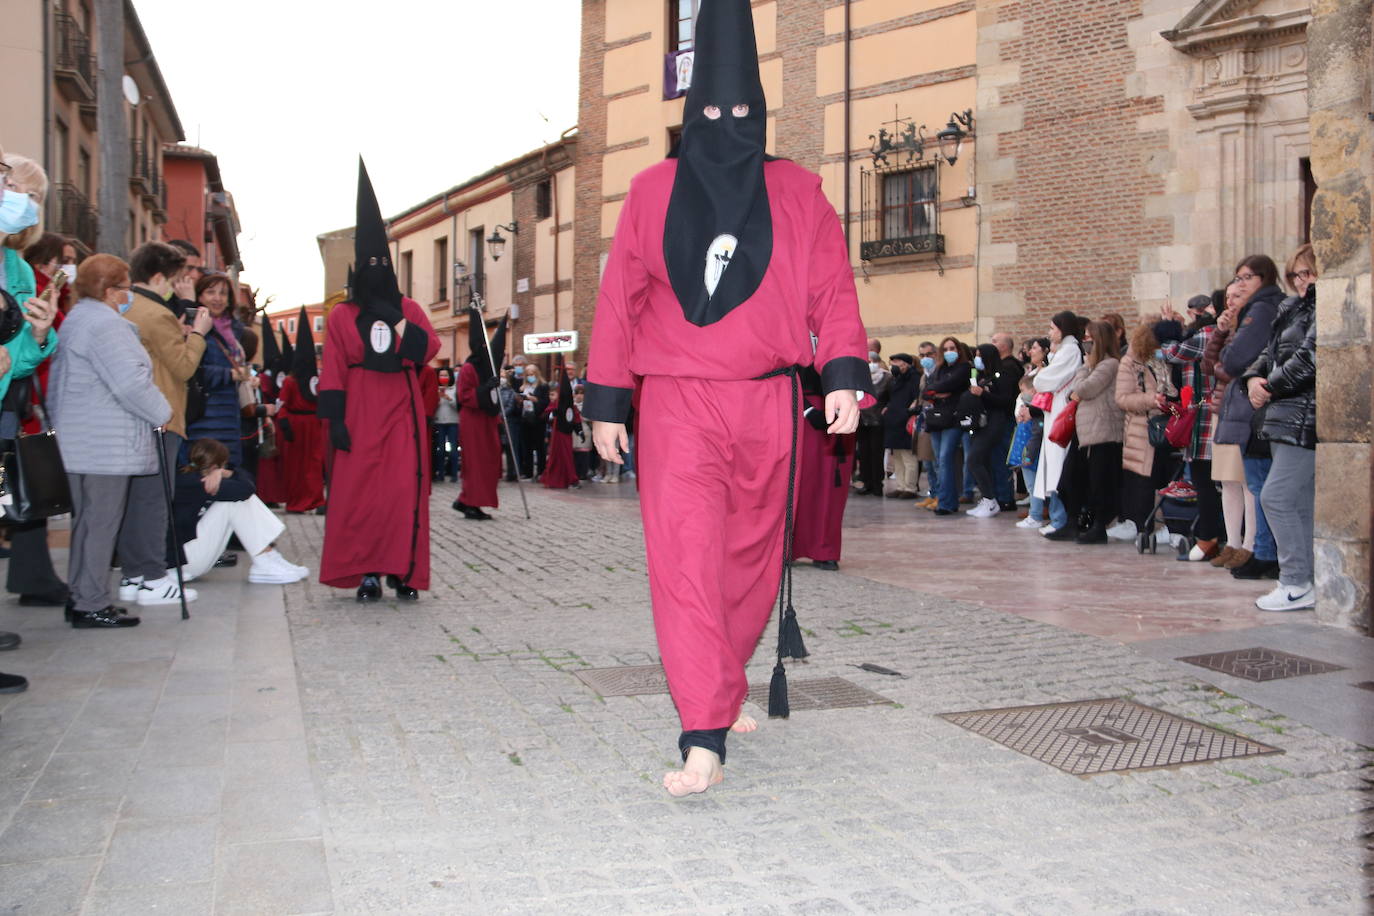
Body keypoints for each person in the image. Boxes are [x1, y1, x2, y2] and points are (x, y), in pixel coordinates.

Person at [583, 0, 869, 797]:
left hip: (770, 406)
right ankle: (702, 728)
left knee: (748, 561)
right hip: (677, 402)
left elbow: (831, 291)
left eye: (743, 110)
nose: (727, 122)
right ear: (688, 112)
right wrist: (607, 402)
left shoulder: (799, 192)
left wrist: (843, 371)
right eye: (712, 110)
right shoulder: (648, 191)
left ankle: (725, 677)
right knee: (684, 559)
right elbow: (619, 300)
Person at [318, 162, 441, 601]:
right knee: (360, 495)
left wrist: (395, 318)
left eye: (380, 263)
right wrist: (334, 422)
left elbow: (427, 350)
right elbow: (331, 367)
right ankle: (366, 571)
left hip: (401, 409)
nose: (374, 270)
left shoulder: (410, 310)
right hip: (358, 410)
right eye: (366, 263)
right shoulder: (341, 315)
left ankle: (403, 571)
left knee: (400, 491)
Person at [49, 254, 171, 627]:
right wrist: (163, 412)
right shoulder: (107, 326)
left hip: (81, 439)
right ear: (109, 290)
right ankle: (91, 603)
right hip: (105, 442)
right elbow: (129, 383)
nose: (127, 294)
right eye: (124, 288)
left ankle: (82, 595)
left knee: (86, 522)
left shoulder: (78, 319)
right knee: (102, 523)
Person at [115, 241, 209, 606]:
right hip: (163, 414)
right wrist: (199, 333)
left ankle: (133, 575)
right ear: (158, 277)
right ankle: (153, 576)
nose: (177, 286)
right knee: (155, 501)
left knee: (135, 501)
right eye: (175, 279)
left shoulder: (124, 306)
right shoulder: (157, 314)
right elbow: (183, 368)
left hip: (133, 417)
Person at [0, 149, 60, 686]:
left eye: (36, 198)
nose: (28, 204)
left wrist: (37, 334)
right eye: (21, 188)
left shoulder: (16, 268)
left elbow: (20, 356)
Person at [1244, 245, 1317, 611]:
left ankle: (1295, 580)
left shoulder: (1324, 307)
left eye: (1308, 273)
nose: (1302, 281)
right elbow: (1267, 353)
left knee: (1276, 496)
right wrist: (1253, 379)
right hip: (1281, 414)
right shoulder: (1291, 308)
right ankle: (1304, 580)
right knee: (1298, 502)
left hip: (1306, 415)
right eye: (1296, 275)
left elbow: (1309, 358)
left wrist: (1268, 385)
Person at [1213, 255, 1284, 579]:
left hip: (1252, 410)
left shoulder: (1263, 309)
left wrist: (1228, 355)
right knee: (1246, 483)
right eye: (1236, 278)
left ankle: (1263, 552)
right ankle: (1254, 550)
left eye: (1246, 277)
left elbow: (1234, 361)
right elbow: (1216, 362)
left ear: (1264, 278)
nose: (1239, 285)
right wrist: (1223, 335)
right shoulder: (1249, 314)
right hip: (1239, 410)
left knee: (1257, 485)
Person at [169, 438, 307, 584]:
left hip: (187, 559)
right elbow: (247, 488)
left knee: (236, 500)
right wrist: (226, 473)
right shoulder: (199, 483)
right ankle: (264, 558)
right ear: (218, 465)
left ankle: (267, 557)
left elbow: (247, 485)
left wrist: (224, 473)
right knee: (232, 503)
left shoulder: (187, 478)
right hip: (185, 562)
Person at [1055, 319, 1123, 543]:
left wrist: (1084, 368)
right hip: (1084, 432)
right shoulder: (1093, 366)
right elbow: (1074, 392)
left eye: (1088, 338)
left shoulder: (1109, 364)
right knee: (1069, 479)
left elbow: (1084, 389)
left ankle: (1098, 527)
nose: (1085, 342)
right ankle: (1072, 521)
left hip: (1102, 432)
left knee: (1099, 483)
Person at [793, 366, 856, 570]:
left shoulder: (840, 340)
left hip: (837, 413)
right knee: (798, 483)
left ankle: (825, 549)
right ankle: (789, 547)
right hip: (799, 413)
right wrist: (807, 409)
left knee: (831, 486)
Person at [1115, 323, 1173, 537]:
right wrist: (1151, 399)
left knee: (1165, 478)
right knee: (1142, 481)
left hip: (1166, 429)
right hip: (1142, 431)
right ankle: (1143, 527)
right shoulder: (1130, 363)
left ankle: (1166, 526)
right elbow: (1122, 398)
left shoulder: (1163, 360)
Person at [185, 272, 249, 466]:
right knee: (205, 470)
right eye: (211, 292)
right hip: (204, 414)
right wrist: (228, 374)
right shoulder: (192, 327)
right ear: (200, 296)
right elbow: (191, 369)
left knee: (229, 469)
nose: (217, 298)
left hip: (230, 412)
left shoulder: (235, 330)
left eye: (223, 293)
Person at [1033, 311, 1085, 538]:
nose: (1050, 332)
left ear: (1063, 328)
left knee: (1058, 467)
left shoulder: (1070, 350)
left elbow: (1043, 380)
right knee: (1052, 466)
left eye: (1053, 328)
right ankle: (1057, 516)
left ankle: (1061, 517)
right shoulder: (1064, 350)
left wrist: (1041, 376)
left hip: (1062, 412)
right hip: (1054, 412)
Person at [454, 307, 506, 519]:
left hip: (487, 420)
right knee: (475, 462)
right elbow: (464, 396)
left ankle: (467, 500)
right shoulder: (468, 368)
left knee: (490, 461)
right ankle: (470, 503)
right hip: (473, 421)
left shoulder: (489, 368)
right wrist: (485, 388)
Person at [965, 340, 1023, 517]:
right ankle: (991, 498)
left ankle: (1001, 499)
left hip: (998, 423)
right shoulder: (984, 376)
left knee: (990, 461)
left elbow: (1005, 400)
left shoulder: (1003, 373)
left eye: (980, 356)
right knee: (984, 461)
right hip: (983, 423)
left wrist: (983, 394)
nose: (977, 359)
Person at [277, 308, 326, 514]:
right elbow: (283, 405)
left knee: (312, 464)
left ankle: (314, 500)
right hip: (301, 426)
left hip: (310, 425)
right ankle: (299, 501)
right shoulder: (291, 382)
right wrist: (284, 422)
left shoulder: (306, 381)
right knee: (301, 466)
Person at [921, 337, 972, 515]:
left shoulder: (965, 368)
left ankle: (946, 502)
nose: (949, 351)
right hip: (937, 419)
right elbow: (925, 391)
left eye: (953, 348)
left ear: (959, 350)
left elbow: (951, 384)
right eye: (946, 348)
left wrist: (936, 391)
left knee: (945, 459)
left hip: (954, 419)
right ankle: (945, 499)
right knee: (939, 461)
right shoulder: (940, 369)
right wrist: (937, 392)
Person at [880, 353, 918, 498]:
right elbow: (892, 397)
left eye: (896, 361)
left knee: (908, 456)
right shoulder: (896, 379)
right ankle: (901, 486)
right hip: (894, 420)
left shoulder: (914, 377)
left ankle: (910, 488)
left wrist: (909, 411)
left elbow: (916, 397)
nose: (893, 364)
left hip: (905, 419)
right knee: (897, 457)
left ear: (906, 363)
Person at [855, 345, 890, 496]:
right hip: (862, 419)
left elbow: (890, 398)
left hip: (878, 420)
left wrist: (886, 409)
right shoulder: (860, 377)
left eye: (872, 361)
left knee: (876, 453)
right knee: (863, 453)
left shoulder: (887, 378)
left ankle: (877, 484)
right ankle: (866, 482)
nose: (870, 363)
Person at [541, 369, 580, 489]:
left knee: (567, 457)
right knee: (555, 457)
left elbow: (575, 419)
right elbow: (544, 417)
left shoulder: (570, 406)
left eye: (553, 394)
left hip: (565, 434)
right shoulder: (553, 405)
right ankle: (553, 477)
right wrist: (553, 414)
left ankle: (571, 478)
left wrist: (579, 430)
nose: (551, 397)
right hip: (555, 434)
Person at [517, 364, 549, 478]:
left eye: (532, 374)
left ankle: (541, 471)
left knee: (540, 447)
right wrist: (520, 401)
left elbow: (545, 402)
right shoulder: (523, 387)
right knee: (527, 446)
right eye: (528, 374)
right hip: (525, 418)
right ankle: (528, 472)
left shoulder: (543, 386)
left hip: (538, 419)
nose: (530, 376)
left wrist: (534, 399)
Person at [433, 367, 459, 482]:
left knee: (453, 450)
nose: (443, 378)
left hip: (453, 422)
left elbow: (458, 407)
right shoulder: (435, 389)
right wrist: (438, 398)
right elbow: (432, 406)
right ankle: (441, 474)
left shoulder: (454, 389)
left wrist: (448, 398)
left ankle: (454, 474)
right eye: (441, 375)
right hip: (439, 422)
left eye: (446, 375)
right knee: (441, 450)